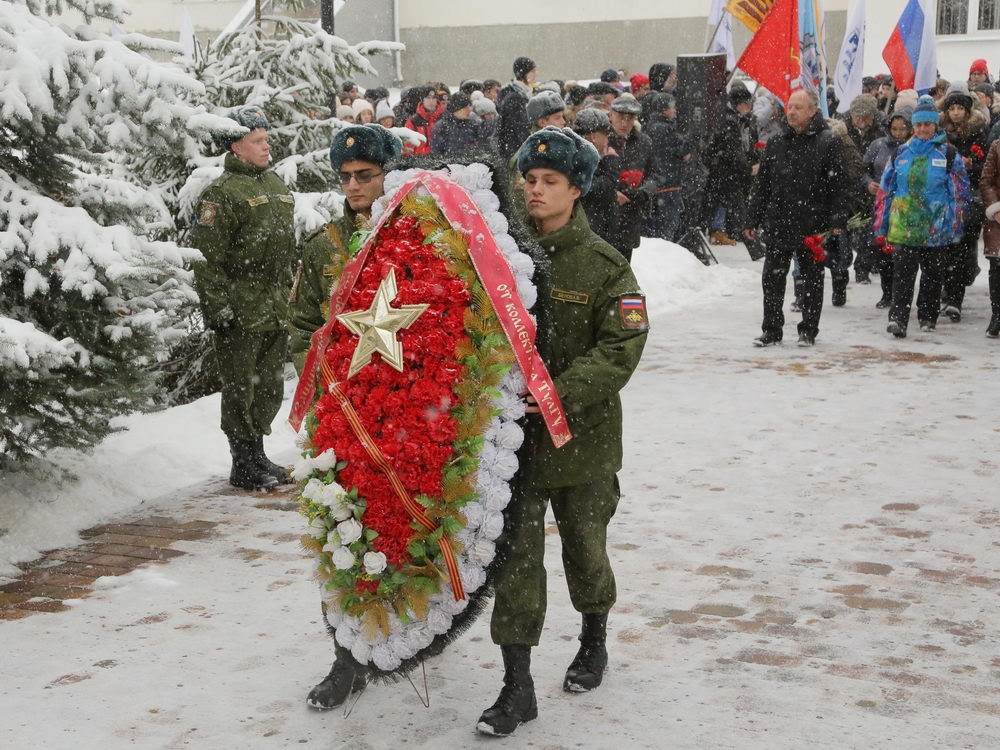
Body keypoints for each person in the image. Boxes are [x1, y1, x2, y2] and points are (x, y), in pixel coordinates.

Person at [478, 125, 647, 737]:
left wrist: (558, 394)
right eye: (530, 179)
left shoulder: (605, 265)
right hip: (516, 446)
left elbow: (622, 345)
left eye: (550, 181)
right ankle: (517, 685)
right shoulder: (501, 258)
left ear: (576, 189)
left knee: (585, 549)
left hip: (583, 440)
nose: (535, 190)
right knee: (515, 562)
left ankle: (593, 639)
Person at [291, 124, 403, 710]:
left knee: (399, 527)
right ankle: (345, 657)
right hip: (338, 416)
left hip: (402, 415)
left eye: (366, 176)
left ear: (388, 175)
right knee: (340, 530)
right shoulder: (325, 244)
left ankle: (410, 627)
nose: (355, 186)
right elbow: (299, 326)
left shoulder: (414, 238)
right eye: (346, 177)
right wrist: (322, 376)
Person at [190, 106, 296, 490]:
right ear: (236, 146)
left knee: (268, 385)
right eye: (257, 140)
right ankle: (242, 463)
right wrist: (219, 309)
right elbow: (206, 259)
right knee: (240, 387)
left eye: (267, 139)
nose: (267, 146)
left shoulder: (275, 184)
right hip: (240, 307)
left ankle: (257, 454)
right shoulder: (220, 194)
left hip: (274, 304)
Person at [744, 90, 852, 347]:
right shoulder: (777, 141)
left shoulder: (827, 141)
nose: (791, 112)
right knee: (772, 278)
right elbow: (763, 186)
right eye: (789, 107)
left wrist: (838, 219)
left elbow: (839, 185)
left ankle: (808, 329)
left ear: (813, 111)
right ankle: (771, 329)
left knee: (812, 278)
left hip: (812, 222)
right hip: (780, 220)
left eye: (798, 107)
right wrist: (752, 219)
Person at [874, 96, 971, 338]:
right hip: (904, 225)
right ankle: (898, 319)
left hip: (935, 227)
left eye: (927, 124)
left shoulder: (948, 154)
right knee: (903, 275)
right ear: (913, 126)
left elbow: (960, 192)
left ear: (935, 125)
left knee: (932, 275)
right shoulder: (901, 153)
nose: (923, 129)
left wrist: (955, 223)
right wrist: (881, 224)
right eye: (918, 124)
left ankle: (928, 316)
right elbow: (886, 191)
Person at [938, 81, 989, 321]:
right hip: (944, 198)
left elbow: (986, 168)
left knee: (963, 248)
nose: (956, 113)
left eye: (960, 108)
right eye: (952, 109)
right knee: (945, 249)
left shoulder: (978, 133)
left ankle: (955, 295)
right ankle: (948, 290)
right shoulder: (940, 134)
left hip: (970, 198)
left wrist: (970, 166)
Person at [861, 108, 914, 308]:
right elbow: (863, 170)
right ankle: (887, 293)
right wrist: (868, 183)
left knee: (902, 254)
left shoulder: (913, 148)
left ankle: (900, 295)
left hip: (905, 206)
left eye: (903, 129)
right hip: (880, 207)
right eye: (895, 129)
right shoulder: (878, 145)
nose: (898, 133)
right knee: (882, 251)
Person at [702, 81, 759, 246]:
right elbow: (733, 149)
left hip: (728, 168)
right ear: (738, 104)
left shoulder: (738, 119)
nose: (749, 107)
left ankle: (724, 230)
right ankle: (721, 231)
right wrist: (747, 168)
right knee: (726, 201)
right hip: (723, 168)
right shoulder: (728, 120)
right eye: (746, 104)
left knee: (726, 200)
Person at [607, 93, 655, 263]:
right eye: (621, 117)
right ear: (611, 115)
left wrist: (644, 192)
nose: (625, 123)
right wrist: (611, 193)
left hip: (630, 216)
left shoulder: (644, 142)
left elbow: (654, 174)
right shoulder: (602, 139)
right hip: (603, 216)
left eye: (630, 118)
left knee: (623, 266)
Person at [571, 107, 623, 251]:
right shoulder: (581, 158)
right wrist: (611, 161)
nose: (608, 139)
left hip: (593, 230)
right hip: (590, 232)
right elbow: (601, 188)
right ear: (593, 136)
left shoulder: (585, 155)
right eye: (605, 134)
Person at [644, 93, 691, 244]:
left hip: (657, 183)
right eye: (672, 107)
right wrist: (692, 135)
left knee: (655, 228)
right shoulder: (666, 129)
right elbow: (683, 151)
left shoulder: (650, 126)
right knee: (667, 228)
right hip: (669, 183)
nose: (675, 110)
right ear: (664, 110)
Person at [979, 132, 1000, 337]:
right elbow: (986, 181)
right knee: (997, 269)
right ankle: (997, 315)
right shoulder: (997, 146)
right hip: (999, 220)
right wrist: (996, 208)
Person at [496, 56, 536, 161]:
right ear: (523, 73)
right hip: (515, 152)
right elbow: (520, 128)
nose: (535, 74)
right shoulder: (514, 97)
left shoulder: (527, 93)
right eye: (532, 71)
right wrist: (532, 149)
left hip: (520, 149)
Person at [403, 85, 445, 156]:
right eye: (428, 98)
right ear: (422, 100)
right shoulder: (413, 122)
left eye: (434, 98)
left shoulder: (444, 119)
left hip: (443, 160)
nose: (431, 101)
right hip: (419, 161)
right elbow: (408, 149)